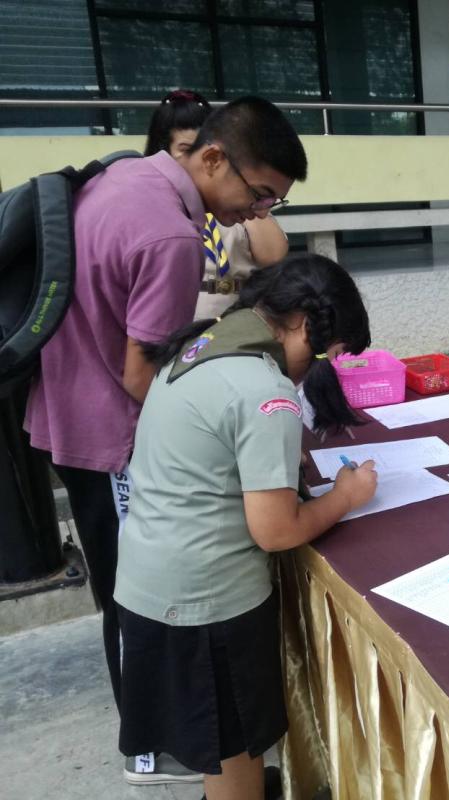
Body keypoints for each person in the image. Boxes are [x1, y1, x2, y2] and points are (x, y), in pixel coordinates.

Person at [22, 95, 308, 785]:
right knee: (148, 593)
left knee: (125, 587)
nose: (257, 212)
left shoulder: (124, 177)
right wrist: (230, 443)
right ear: (213, 158)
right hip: (112, 434)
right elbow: (144, 376)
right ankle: (159, 749)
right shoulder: (172, 235)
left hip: (68, 411)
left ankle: (160, 735)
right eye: (259, 193)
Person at [113, 254, 377, 800]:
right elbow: (277, 532)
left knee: (218, 735)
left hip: (149, 578)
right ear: (305, 324)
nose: (319, 369)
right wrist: (346, 497)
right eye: (328, 353)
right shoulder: (266, 392)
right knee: (232, 736)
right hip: (205, 601)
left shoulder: (205, 343)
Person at [144, 89, 290, 319]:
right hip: (179, 323)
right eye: (185, 150)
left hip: (235, 323)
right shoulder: (156, 208)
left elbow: (273, 255)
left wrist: (245, 200)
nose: (198, 159)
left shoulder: (237, 204)